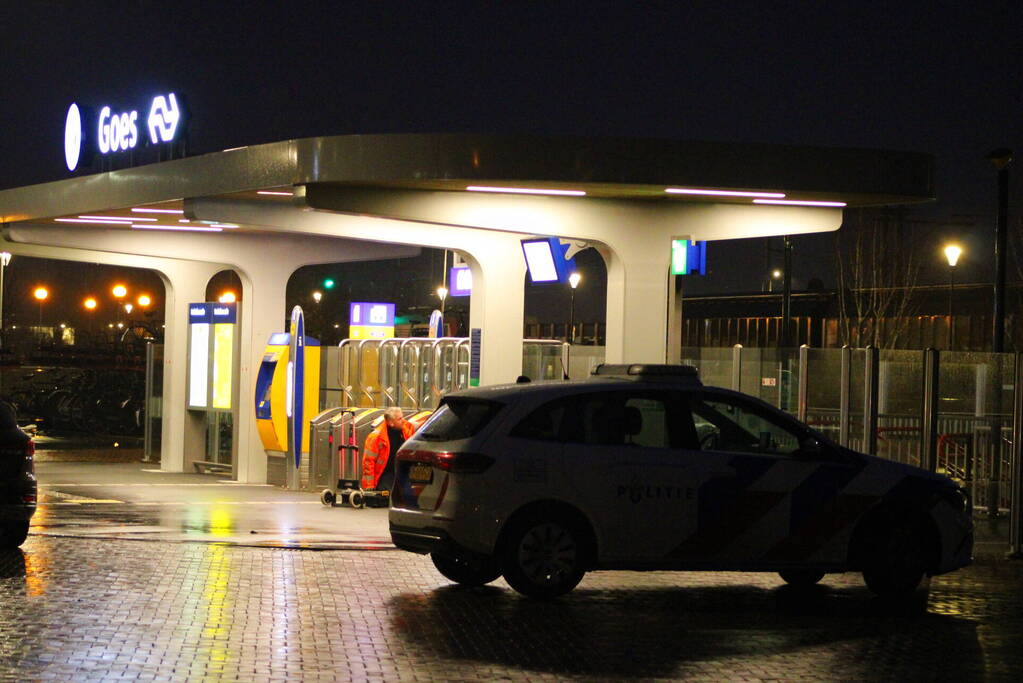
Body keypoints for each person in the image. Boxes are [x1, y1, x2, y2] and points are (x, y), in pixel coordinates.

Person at [361, 407, 416, 491]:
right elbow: (368, 462)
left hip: (403, 474)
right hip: (385, 475)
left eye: (402, 417)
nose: (403, 421)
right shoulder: (376, 437)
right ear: (391, 422)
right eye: (399, 419)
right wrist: (369, 486)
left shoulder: (407, 429)